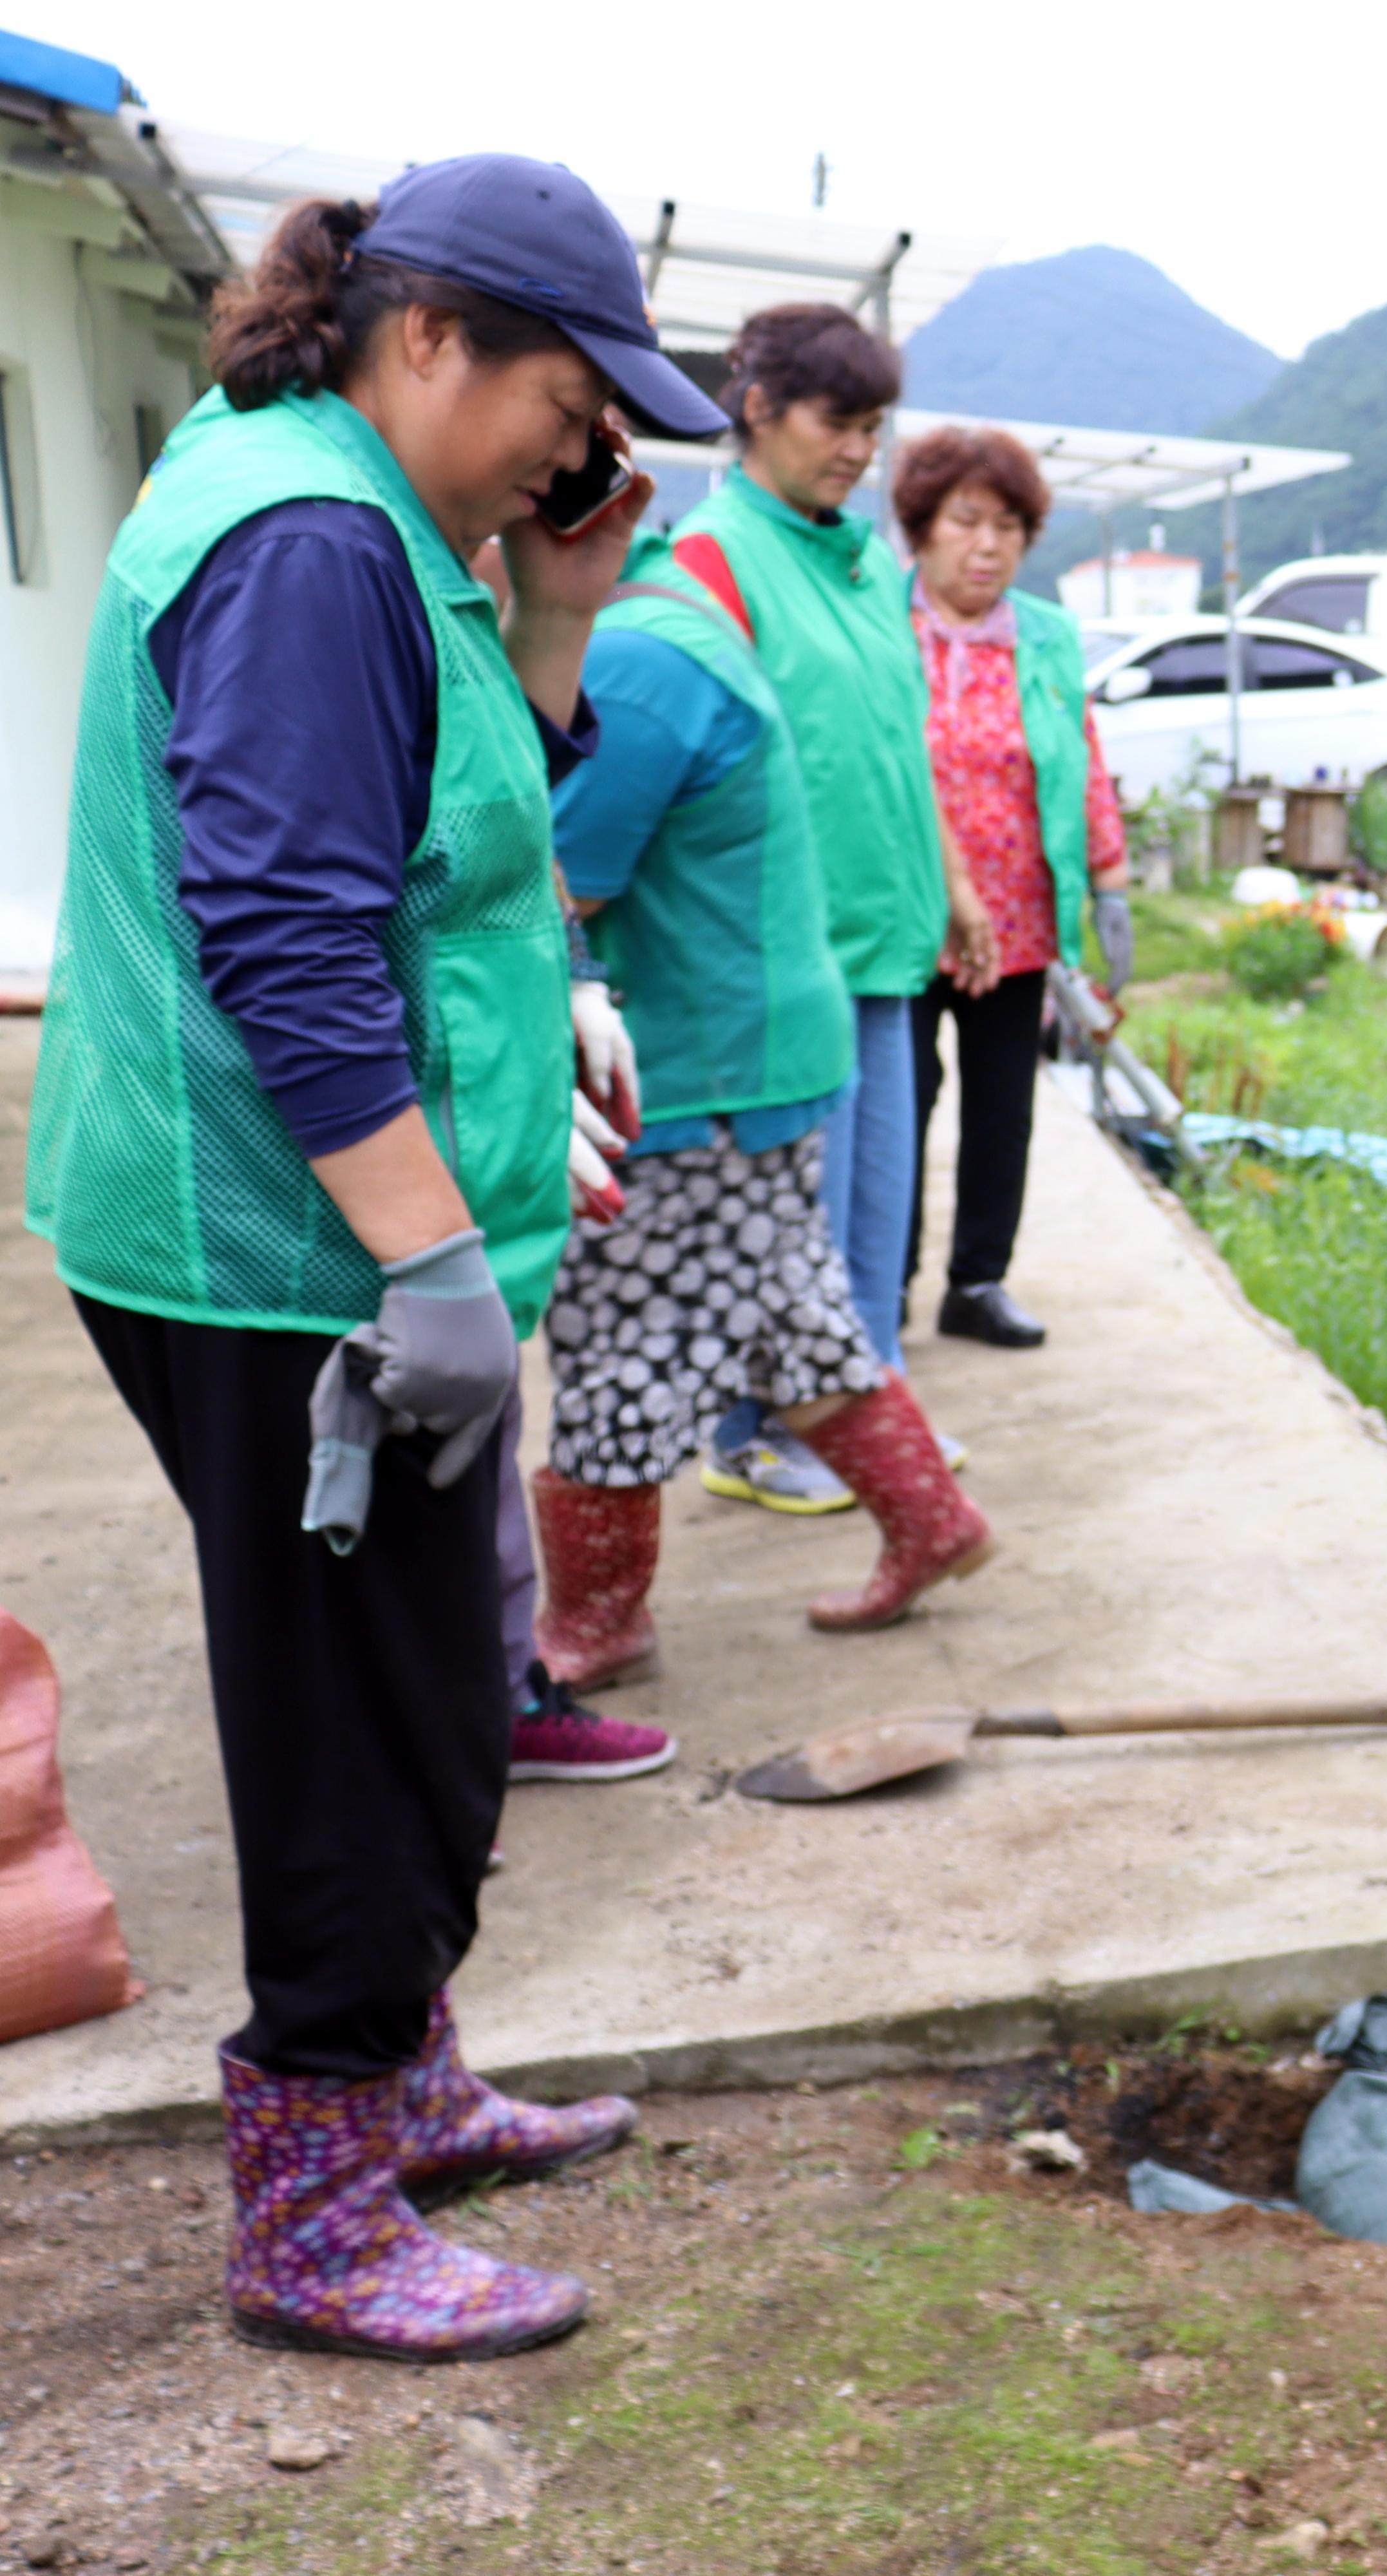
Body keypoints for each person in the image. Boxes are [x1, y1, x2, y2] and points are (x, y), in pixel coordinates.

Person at [21, 157, 730, 2360]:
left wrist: (561, 604)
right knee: (371, 1726)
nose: (577, 442)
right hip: (288, 1256)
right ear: (428, 336)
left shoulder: (364, 518)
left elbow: (446, 833)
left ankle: (394, 2082)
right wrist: (428, 1264)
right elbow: (289, 941)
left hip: (312, 1231)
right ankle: (313, 2205)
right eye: (563, 392)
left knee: (426, 1689)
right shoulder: (316, 544)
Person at [525, 518, 996, 1679]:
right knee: (794, 1317)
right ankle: (933, 1524)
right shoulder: (679, 627)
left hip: (700, 1071)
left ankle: (596, 1621)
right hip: (767, 1052)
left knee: (621, 1341)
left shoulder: (629, 667)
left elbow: (545, 887)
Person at [670, 305, 966, 1511]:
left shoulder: (863, 566)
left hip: (884, 942)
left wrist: (947, 889)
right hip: (783, 952)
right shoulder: (713, 554)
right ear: (757, 410)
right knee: (793, 1227)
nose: (860, 451)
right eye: (838, 423)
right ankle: (751, 1431)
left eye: (875, 429)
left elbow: (893, 743)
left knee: (872, 1218)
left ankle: (873, 1422)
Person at [891, 424, 1130, 1350]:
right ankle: (888, 1287)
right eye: (966, 522)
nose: (987, 545)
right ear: (922, 526)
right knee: (896, 1107)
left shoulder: (1048, 638)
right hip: (908, 916)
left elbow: (1083, 759)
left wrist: (1109, 880)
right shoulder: (880, 620)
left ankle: (977, 1283)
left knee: (1004, 1110)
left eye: (1008, 528)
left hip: (1021, 919)